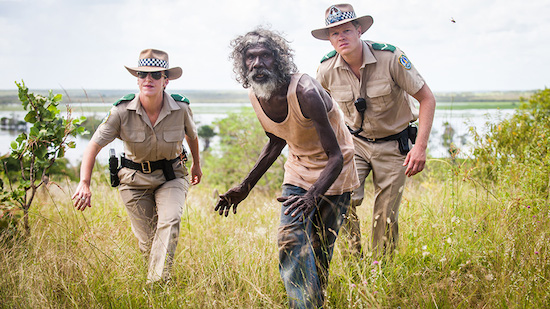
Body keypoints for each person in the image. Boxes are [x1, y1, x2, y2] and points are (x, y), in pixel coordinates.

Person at [215, 27, 359, 308]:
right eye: (250, 58)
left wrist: (312, 196)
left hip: (334, 173)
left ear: (279, 59)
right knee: (290, 240)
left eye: (265, 56)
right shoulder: (256, 95)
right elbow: (276, 140)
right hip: (297, 170)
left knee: (319, 252)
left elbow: (336, 156)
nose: (257, 64)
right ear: (242, 63)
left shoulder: (305, 91)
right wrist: (245, 186)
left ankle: (315, 302)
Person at [312, 4, 436, 258]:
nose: (341, 37)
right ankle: (354, 262)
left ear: (359, 30)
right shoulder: (325, 69)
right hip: (353, 143)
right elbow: (321, 114)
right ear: (330, 40)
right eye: (334, 34)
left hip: (393, 144)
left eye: (346, 30)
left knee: (385, 213)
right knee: (339, 198)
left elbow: (427, 99)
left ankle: (381, 271)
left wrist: (420, 147)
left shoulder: (390, 58)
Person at [72, 49, 202, 284]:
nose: (148, 80)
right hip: (134, 182)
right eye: (143, 74)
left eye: (155, 75)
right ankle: (157, 279)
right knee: (149, 242)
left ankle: (156, 286)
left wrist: (196, 165)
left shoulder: (181, 109)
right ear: (137, 79)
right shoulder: (121, 112)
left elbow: (192, 136)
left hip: (171, 176)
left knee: (170, 221)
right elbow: (93, 145)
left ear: (166, 80)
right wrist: (84, 182)